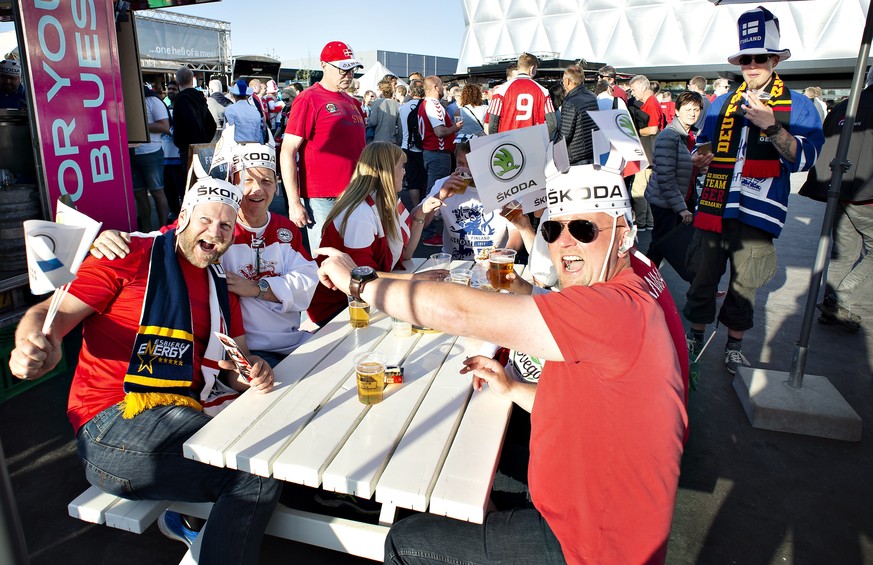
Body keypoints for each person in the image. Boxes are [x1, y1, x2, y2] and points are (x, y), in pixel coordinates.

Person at [315, 163, 687, 565]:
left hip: (589, 544)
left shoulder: (612, 308)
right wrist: (513, 389)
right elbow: (594, 404)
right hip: (589, 507)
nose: (565, 244)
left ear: (624, 235)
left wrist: (358, 282)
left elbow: (460, 312)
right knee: (463, 462)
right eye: (552, 230)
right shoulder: (620, 289)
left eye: (583, 230)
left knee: (406, 542)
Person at [9, 177, 281, 563]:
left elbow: (236, 365)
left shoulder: (219, 284)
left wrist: (253, 370)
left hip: (182, 412)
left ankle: (190, 525)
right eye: (205, 220)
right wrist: (33, 344)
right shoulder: (129, 254)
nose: (214, 233)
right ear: (183, 217)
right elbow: (47, 316)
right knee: (251, 472)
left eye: (225, 226)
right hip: (112, 423)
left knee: (268, 445)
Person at [91, 135, 319, 367]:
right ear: (234, 184)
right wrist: (117, 237)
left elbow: (308, 279)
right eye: (247, 180)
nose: (257, 189)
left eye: (267, 181)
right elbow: (167, 237)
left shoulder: (285, 229)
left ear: (276, 186)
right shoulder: (217, 231)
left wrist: (256, 288)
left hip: (291, 339)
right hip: (239, 352)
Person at [686, 6, 824, 374]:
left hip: (759, 209)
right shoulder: (721, 103)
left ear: (775, 59)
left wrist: (772, 127)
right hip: (715, 203)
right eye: (746, 58)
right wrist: (703, 158)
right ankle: (694, 337)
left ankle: (733, 345)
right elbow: (705, 146)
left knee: (745, 284)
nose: (752, 64)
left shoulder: (799, 105)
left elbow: (805, 158)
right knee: (703, 275)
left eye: (760, 57)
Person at [306, 142, 442, 325]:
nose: (405, 172)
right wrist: (415, 279)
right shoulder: (360, 213)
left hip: (365, 298)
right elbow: (362, 276)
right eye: (401, 167)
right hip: (339, 310)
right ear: (386, 171)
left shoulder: (386, 201)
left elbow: (406, 254)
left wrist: (420, 214)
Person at [799, 67, 873, 331]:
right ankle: (840, 301)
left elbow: (823, 145)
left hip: (839, 190)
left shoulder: (844, 106)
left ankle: (834, 309)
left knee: (843, 254)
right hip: (865, 194)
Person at [280, 40, 366, 253]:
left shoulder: (352, 102)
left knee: (354, 255)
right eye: (343, 68)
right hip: (322, 198)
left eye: (352, 69)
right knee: (328, 259)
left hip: (355, 194)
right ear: (324, 66)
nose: (348, 74)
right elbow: (288, 150)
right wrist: (293, 202)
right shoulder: (308, 99)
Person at [417, 141, 521, 260]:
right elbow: (420, 222)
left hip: (493, 262)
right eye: (460, 163)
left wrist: (506, 253)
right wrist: (440, 196)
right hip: (454, 263)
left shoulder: (503, 187)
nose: (465, 170)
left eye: (471, 165)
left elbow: (517, 230)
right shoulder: (443, 184)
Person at [645, 91, 704, 271]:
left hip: (678, 200)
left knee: (666, 247)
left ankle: (700, 286)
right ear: (677, 111)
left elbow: (680, 168)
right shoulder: (669, 136)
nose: (692, 113)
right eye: (687, 109)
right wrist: (681, 209)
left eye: (696, 109)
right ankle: (641, 284)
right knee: (660, 247)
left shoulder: (691, 135)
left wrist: (698, 166)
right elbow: (666, 177)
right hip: (666, 203)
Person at [486, 53, 557, 138]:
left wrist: (498, 142)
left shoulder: (500, 91)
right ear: (532, 68)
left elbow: (492, 124)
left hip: (508, 143)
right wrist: (538, 139)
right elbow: (552, 124)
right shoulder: (543, 91)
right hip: (531, 144)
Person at [131, 84, 171, 231]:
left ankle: (163, 229)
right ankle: (147, 231)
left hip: (151, 153)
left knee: (157, 192)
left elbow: (164, 127)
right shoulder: (127, 102)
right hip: (132, 153)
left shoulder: (153, 101)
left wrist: (139, 126)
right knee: (140, 194)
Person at [419, 75, 461, 191]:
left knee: (434, 187)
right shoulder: (434, 104)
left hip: (431, 152)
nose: (443, 88)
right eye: (442, 85)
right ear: (436, 87)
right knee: (437, 189)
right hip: (438, 152)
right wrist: (454, 128)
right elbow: (440, 131)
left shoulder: (425, 103)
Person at [173, 66, 217, 168]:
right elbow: (212, 124)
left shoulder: (181, 100)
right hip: (202, 148)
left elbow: (191, 123)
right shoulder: (199, 98)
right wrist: (205, 141)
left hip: (188, 149)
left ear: (177, 82)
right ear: (192, 80)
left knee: (189, 179)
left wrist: (182, 143)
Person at [559, 65, 599, 165]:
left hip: (575, 155)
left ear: (567, 81)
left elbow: (565, 134)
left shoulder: (570, 102)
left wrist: (553, 148)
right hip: (592, 151)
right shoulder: (591, 96)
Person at [399, 79, 427, 209]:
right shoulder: (427, 106)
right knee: (425, 178)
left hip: (407, 146)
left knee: (412, 180)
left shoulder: (403, 108)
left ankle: (416, 207)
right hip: (424, 147)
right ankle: (425, 205)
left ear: (410, 91)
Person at [225, 79, 265, 143]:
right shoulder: (255, 110)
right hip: (254, 146)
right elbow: (258, 133)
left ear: (234, 95)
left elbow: (227, 131)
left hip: (236, 146)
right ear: (247, 96)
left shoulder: (230, 109)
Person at [368, 80, 402, 145]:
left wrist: (368, 121)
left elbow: (373, 122)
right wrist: (399, 140)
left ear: (382, 90)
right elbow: (400, 126)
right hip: (392, 140)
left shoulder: (377, 103)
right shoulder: (397, 105)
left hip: (378, 140)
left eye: (378, 89)